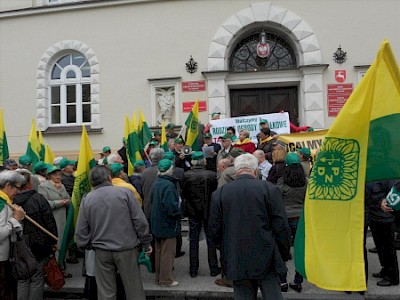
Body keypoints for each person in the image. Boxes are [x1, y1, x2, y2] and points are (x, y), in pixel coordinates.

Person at [209, 154, 291, 300]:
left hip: (236, 255)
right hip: (267, 255)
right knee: (273, 295)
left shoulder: (220, 193)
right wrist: (283, 253)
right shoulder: (270, 190)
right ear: (255, 170)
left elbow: (214, 229)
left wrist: (225, 249)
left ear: (236, 170)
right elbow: (281, 225)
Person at [76, 165, 152, 300]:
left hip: (101, 250)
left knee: (106, 291)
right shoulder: (125, 193)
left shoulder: (87, 198)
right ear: (109, 177)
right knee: (133, 289)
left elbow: (81, 228)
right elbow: (139, 221)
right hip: (126, 248)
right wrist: (146, 242)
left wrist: (85, 245)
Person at [13, 168, 58, 300]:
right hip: (39, 245)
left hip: (19, 245)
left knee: (22, 279)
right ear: (30, 184)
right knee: (37, 278)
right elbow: (49, 221)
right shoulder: (38, 198)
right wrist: (53, 241)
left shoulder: (11, 201)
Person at [181, 151, 219, 278]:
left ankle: (193, 269)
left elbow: (184, 193)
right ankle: (213, 268)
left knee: (193, 240)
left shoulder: (186, 175)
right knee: (211, 240)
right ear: (204, 161)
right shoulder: (212, 175)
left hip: (193, 211)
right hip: (209, 210)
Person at [277, 153, 308, 292]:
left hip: (284, 219)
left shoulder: (282, 183)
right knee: (300, 251)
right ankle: (298, 281)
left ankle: (282, 281)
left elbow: (276, 200)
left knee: (282, 251)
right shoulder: (306, 182)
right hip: (301, 219)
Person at [151, 159, 181, 287]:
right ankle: (166, 279)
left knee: (158, 252)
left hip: (157, 222)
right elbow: (171, 207)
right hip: (168, 223)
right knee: (167, 253)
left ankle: (159, 277)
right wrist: (179, 207)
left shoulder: (156, 183)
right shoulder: (168, 185)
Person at [366, 180, 399, 286]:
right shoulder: (370, 172)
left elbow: (395, 189)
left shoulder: (386, 173)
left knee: (387, 248)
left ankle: (392, 277)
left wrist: (385, 200)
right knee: (380, 247)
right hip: (374, 215)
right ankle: (385, 270)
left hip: (385, 217)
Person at [0, 171, 26, 300]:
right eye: (17, 187)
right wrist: (15, 219)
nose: (18, 191)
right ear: (8, 186)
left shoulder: (7, 201)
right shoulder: (1, 204)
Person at [38, 165, 70, 263]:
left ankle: (62, 264)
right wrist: (59, 203)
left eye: (59, 174)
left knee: (63, 241)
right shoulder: (43, 186)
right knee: (55, 243)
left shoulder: (62, 185)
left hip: (63, 218)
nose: (58, 177)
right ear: (50, 176)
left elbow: (68, 198)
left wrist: (67, 201)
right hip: (52, 218)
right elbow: (44, 204)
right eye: (55, 175)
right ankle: (57, 268)